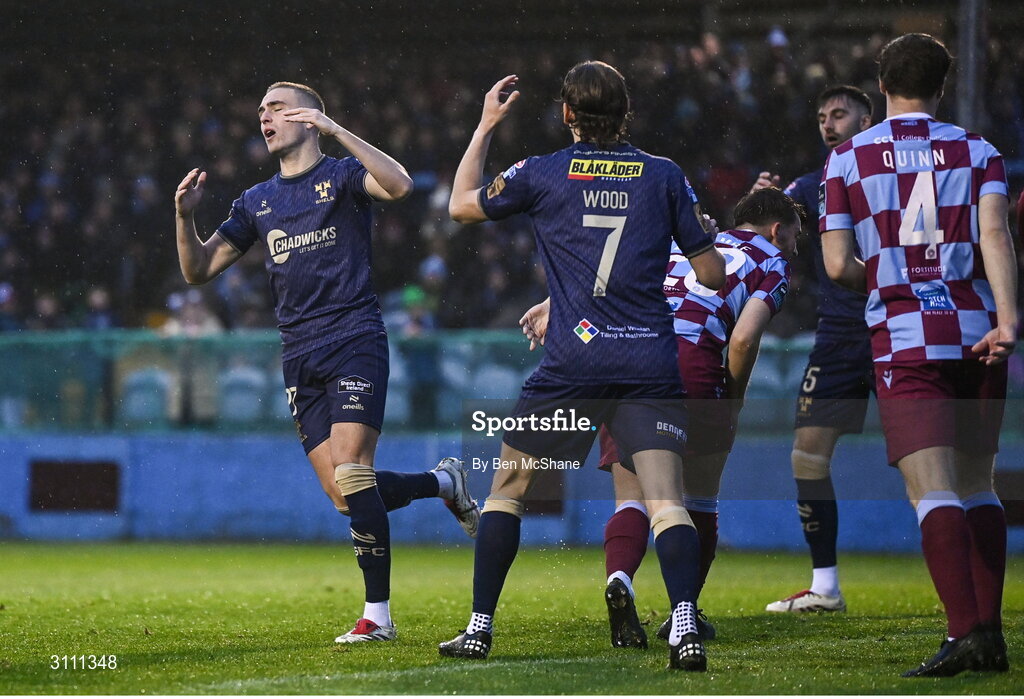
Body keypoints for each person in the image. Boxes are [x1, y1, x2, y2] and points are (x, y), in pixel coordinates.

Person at [439, 62, 726, 671]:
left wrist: (487, 124)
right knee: (667, 502)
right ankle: (684, 628)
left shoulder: (544, 172)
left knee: (507, 493)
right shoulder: (664, 176)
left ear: (567, 114)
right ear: (627, 113)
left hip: (574, 361)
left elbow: (461, 206)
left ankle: (479, 629)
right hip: (648, 358)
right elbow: (710, 276)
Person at [172, 81, 480, 644]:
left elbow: (400, 185)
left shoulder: (340, 176)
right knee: (345, 495)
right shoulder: (255, 201)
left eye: (275, 107)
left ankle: (378, 617)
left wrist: (337, 130)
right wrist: (184, 218)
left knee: (354, 472)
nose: (263, 117)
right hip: (298, 355)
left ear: (307, 116)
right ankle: (442, 483)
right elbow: (198, 270)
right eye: (259, 109)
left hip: (353, 336)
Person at [522, 188, 801, 650]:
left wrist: (555, 304)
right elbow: (744, 340)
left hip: (630, 360)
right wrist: (733, 399)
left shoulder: (689, 242)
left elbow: (615, 275)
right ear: (777, 230)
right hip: (693, 366)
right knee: (698, 501)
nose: (794, 246)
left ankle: (620, 579)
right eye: (795, 236)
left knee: (630, 499)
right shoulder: (772, 260)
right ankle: (682, 614)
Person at [820, 34, 1016, 677]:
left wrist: (884, 276)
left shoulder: (849, 159)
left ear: (881, 86)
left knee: (931, 493)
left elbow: (837, 264)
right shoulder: (979, 150)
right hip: (975, 331)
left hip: (906, 337)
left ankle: (963, 634)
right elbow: (994, 235)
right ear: (942, 85)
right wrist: (1009, 321)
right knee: (977, 485)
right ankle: (989, 637)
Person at [753, 85, 875, 613]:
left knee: (930, 460)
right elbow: (767, 231)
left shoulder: (893, 170)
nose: (828, 123)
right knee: (807, 454)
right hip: (840, 336)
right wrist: (761, 203)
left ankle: (963, 593)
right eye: (822, 115)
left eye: (840, 114)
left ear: (868, 119)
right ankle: (825, 586)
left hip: (898, 325)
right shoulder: (812, 184)